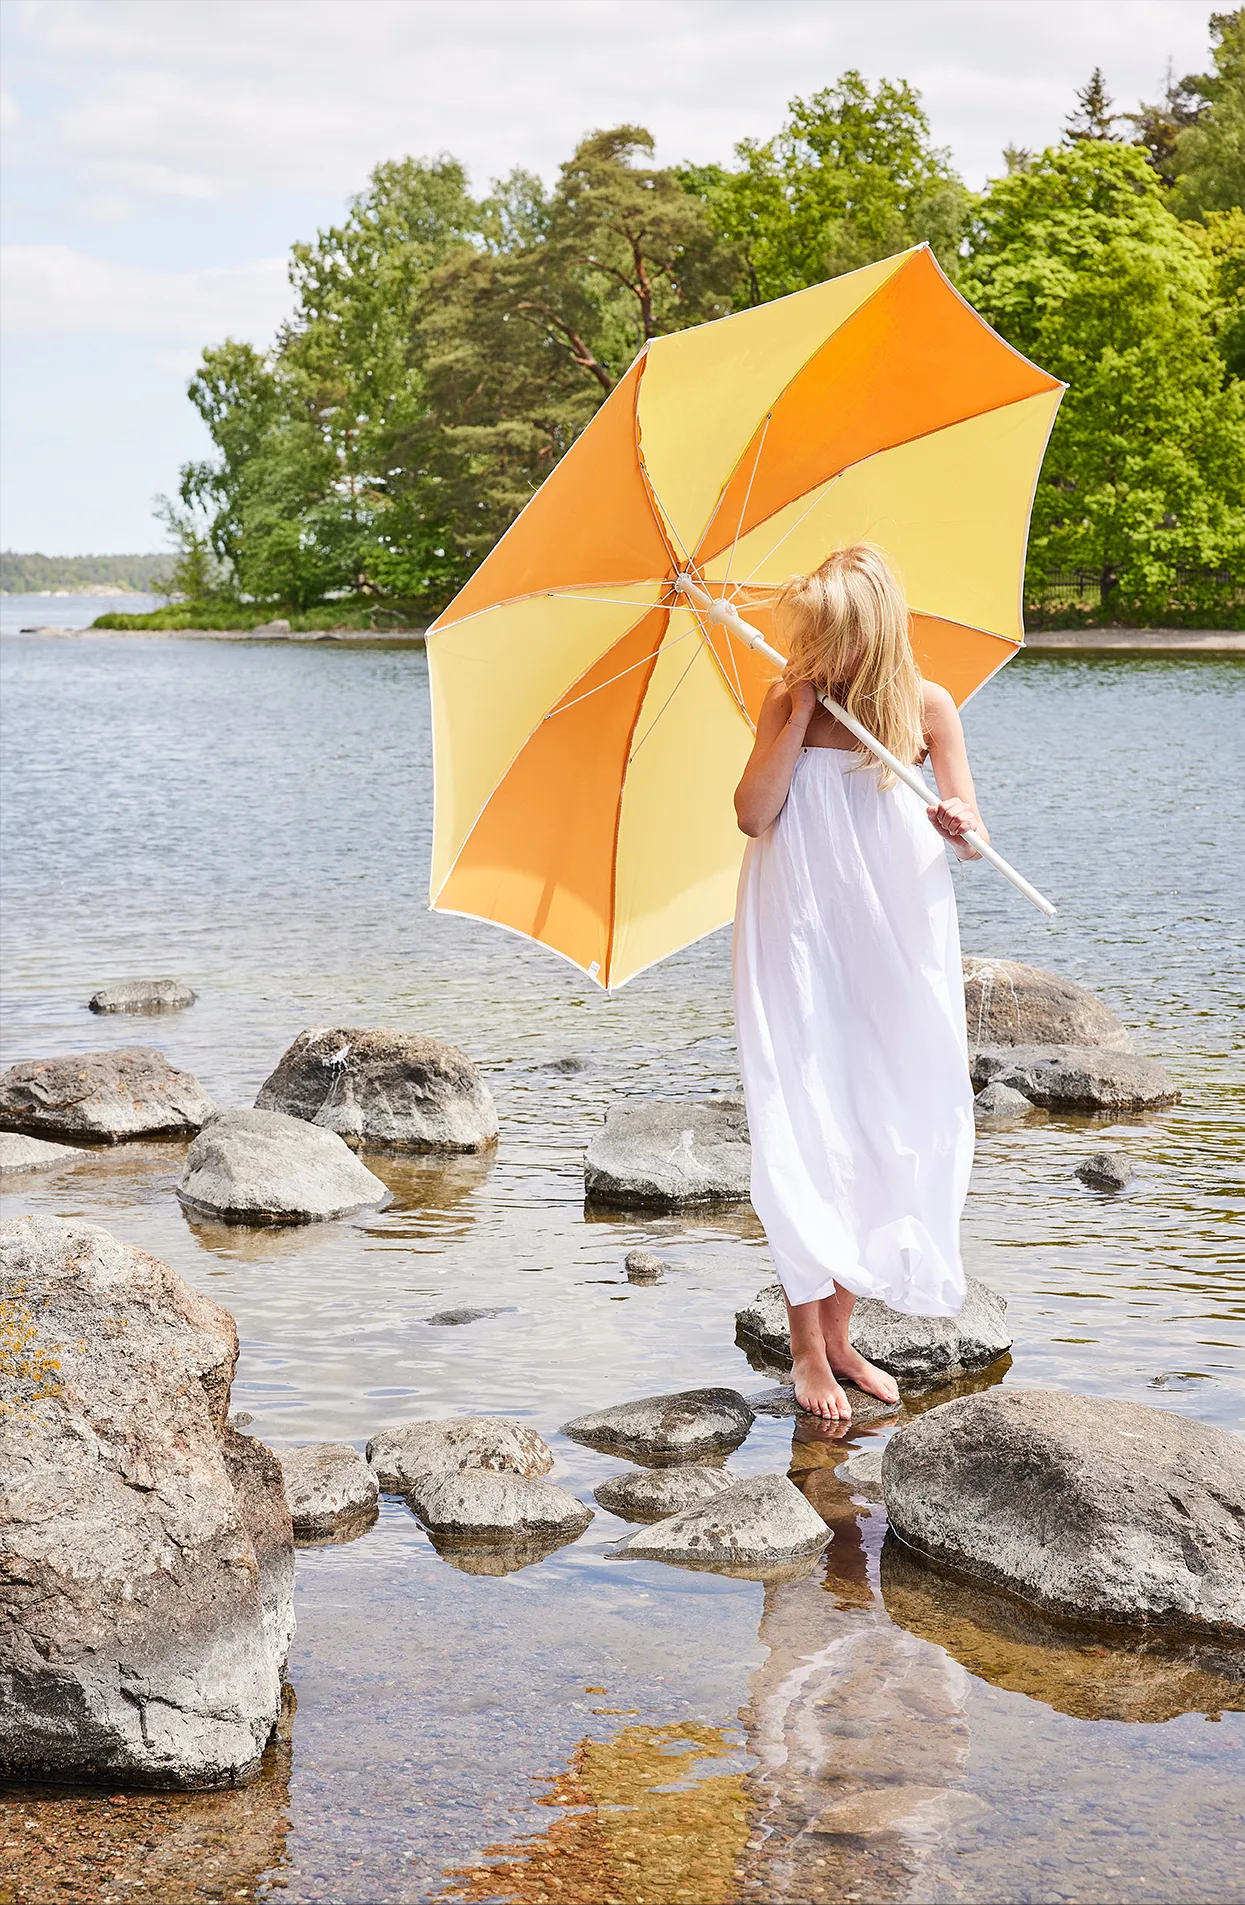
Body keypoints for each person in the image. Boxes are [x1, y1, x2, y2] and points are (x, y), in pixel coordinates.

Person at [732, 543, 984, 1421]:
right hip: (796, 924)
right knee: (800, 1114)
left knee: (889, 1110)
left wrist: (958, 824)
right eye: (805, 638)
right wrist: (796, 718)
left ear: (868, 634)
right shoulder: (783, 695)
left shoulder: (926, 707)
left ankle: (841, 1335)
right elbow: (752, 814)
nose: (811, 653)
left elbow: (968, 832)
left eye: (826, 639)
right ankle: (806, 1351)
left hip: (893, 927)